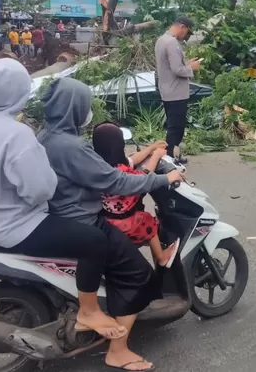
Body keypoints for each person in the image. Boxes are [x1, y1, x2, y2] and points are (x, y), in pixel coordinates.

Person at [0, 59, 129, 341]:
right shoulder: (17, 134)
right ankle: (89, 311)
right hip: (15, 226)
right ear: (21, 92)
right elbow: (41, 191)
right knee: (94, 241)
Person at [38, 78, 182, 372]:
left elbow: (114, 167)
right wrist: (163, 179)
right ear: (76, 108)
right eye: (85, 105)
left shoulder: (45, 136)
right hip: (83, 219)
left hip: (56, 215)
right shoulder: (71, 146)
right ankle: (118, 350)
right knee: (139, 274)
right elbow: (116, 180)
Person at [92, 123, 181, 268]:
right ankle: (161, 257)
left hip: (107, 219)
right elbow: (143, 180)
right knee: (147, 220)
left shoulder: (102, 166)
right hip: (124, 223)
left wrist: (151, 148)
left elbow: (132, 160)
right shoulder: (121, 171)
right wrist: (156, 156)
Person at [154, 16, 200, 159]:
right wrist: (192, 68)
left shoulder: (161, 40)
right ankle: (168, 158)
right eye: (186, 32)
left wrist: (187, 64)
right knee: (176, 129)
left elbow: (170, 66)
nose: (185, 36)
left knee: (173, 127)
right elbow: (177, 70)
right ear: (182, 27)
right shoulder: (172, 42)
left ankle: (170, 157)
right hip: (176, 92)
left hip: (167, 90)